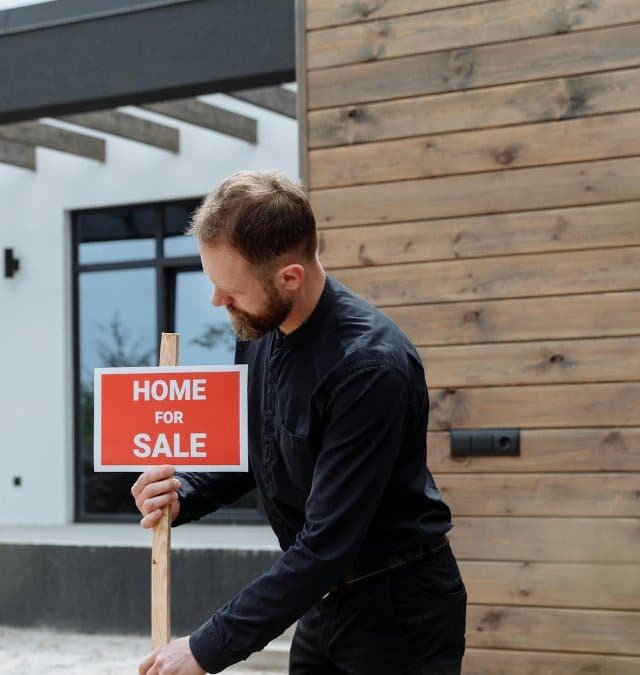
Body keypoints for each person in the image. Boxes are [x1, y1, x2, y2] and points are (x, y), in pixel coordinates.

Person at [133, 171, 466, 675]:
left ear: (290, 276)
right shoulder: (257, 327)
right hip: (323, 602)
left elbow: (326, 544)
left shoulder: (369, 368)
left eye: (231, 289)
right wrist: (185, 491)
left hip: (400, 616)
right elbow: (259, 451)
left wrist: (204, 648)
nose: (217, 302)